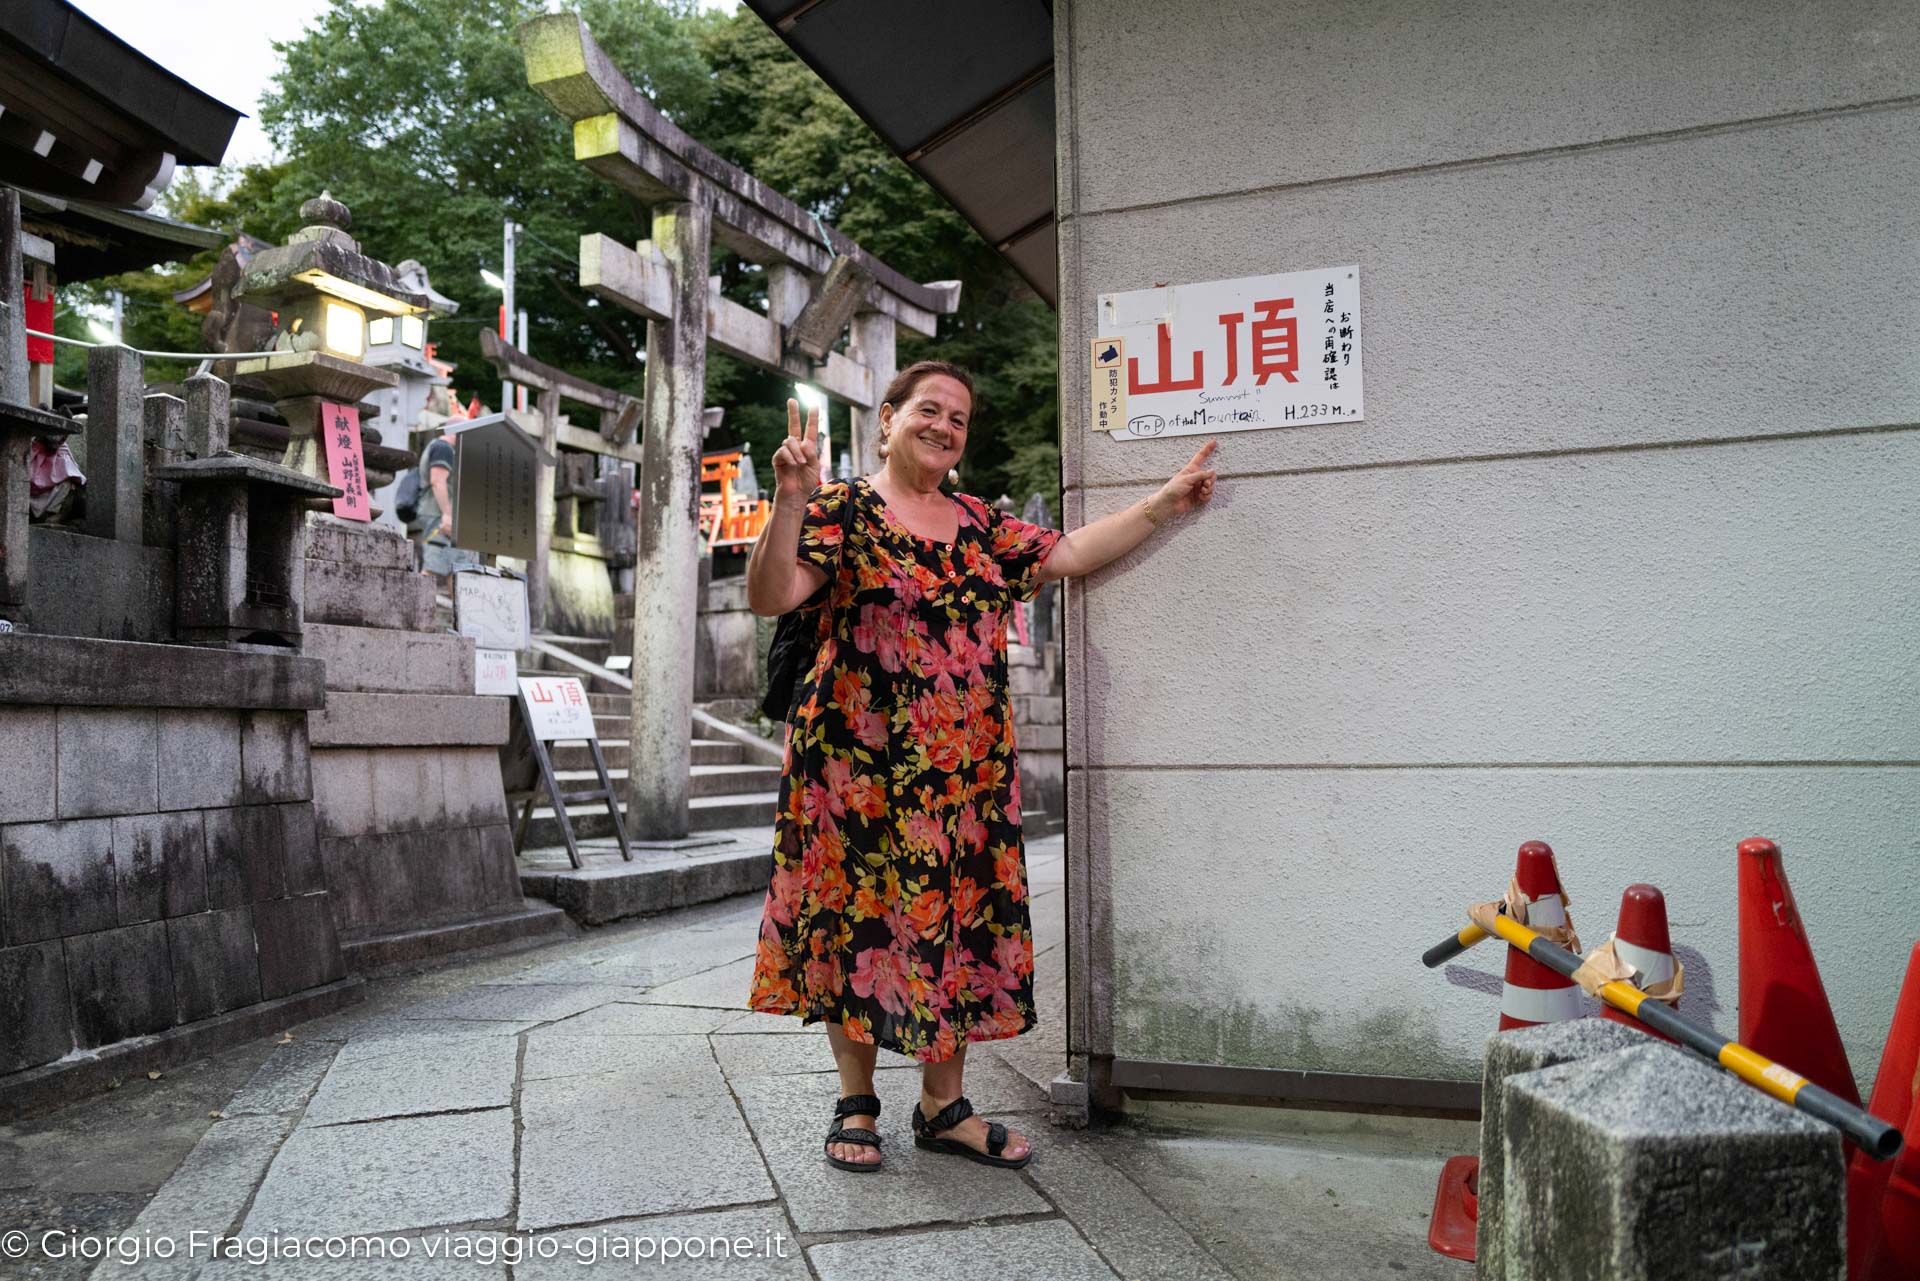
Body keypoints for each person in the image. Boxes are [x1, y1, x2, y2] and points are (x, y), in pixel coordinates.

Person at [743, 359, 1217, 1172]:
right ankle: (856, 1100)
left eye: (958, 418)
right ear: (888, 419)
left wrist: (1162, 504)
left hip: (962, 775)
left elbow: (1068, 551)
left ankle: (943, 1105)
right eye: (928, 410)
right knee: (855, 923)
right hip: (851, 772)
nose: (943, 426)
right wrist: (788, 501)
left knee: (954, 925)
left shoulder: (977, 523)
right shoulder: (841, 509)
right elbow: (772, 592)